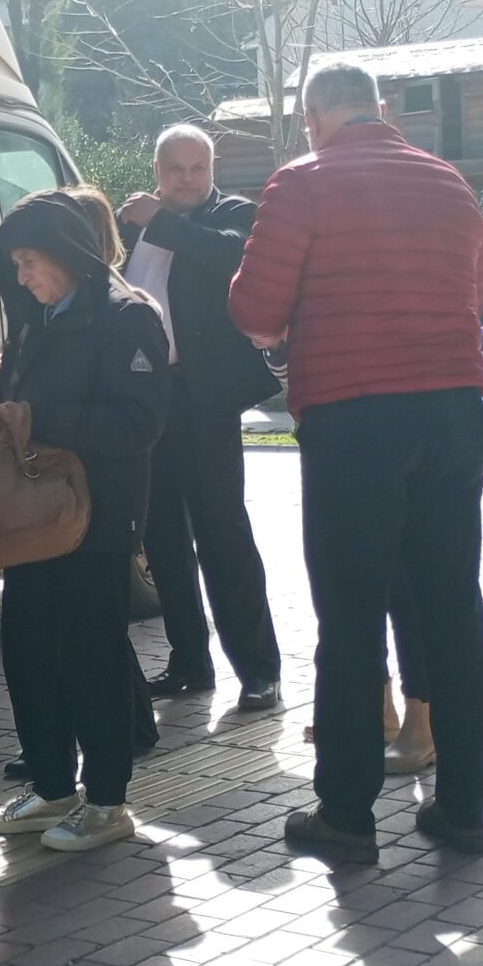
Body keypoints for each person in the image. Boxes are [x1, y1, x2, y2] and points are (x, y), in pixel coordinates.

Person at [228, 62, 483, 866]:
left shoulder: (302, 183)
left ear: (313, 119)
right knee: (453, 606)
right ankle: (464, 808)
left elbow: (255, 308)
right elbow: (472, 294)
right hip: (453, 409)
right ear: (378, 108)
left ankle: (345, 813)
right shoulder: (449, 182)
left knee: (350, 614)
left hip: (354, 414)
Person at [0, 188, 170, 853]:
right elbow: (8, 404)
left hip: (96, 517)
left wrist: (36, 419)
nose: (20, 277)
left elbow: (137, 424)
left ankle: (106, 800)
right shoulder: (35, 320)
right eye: (13, 264)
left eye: (29, 262)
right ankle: (51, 786)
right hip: (33, 519)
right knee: (28, 653)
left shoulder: (129, 316)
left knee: (92, 658)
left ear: (65, 254)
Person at [117, 124, 284, 712]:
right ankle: (189, 661)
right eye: (175, 169)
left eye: (198, 169)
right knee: (162, 539)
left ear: (211, 171)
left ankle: (259, 670)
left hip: (204, 399)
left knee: (223, 534)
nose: (188, 180)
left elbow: (227, 255)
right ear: (157, 171)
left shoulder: (232, 213)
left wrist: (160, 221)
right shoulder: (132, 223)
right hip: (147, 398)